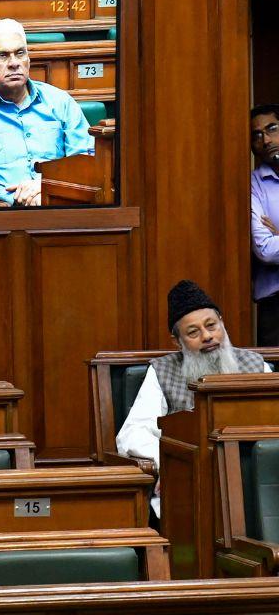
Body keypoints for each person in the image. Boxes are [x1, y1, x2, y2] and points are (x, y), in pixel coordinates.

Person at [116, 280, 270, 517]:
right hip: (192, 483)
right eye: (193, 332)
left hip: (257, 478)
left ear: (222, 323)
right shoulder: (163, 372)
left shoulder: (256, 365)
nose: (207, 336)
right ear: (177, 341)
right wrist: (175, 466)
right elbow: (132, 433)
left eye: (212, 325)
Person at [0, 18, 93, 206]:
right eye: (2, 56)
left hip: (62, 205)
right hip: (5, 215)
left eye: (20, 53)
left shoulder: (59, 100)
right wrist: (18, 197)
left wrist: (46, 188)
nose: (14, 63)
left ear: (28, 60)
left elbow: (85, 163)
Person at [250, 104, 279, 346]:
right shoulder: (253, 184)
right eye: (257, 135)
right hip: (274, 303)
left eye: (272, 129)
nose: (266, 140)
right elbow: (265, 250)